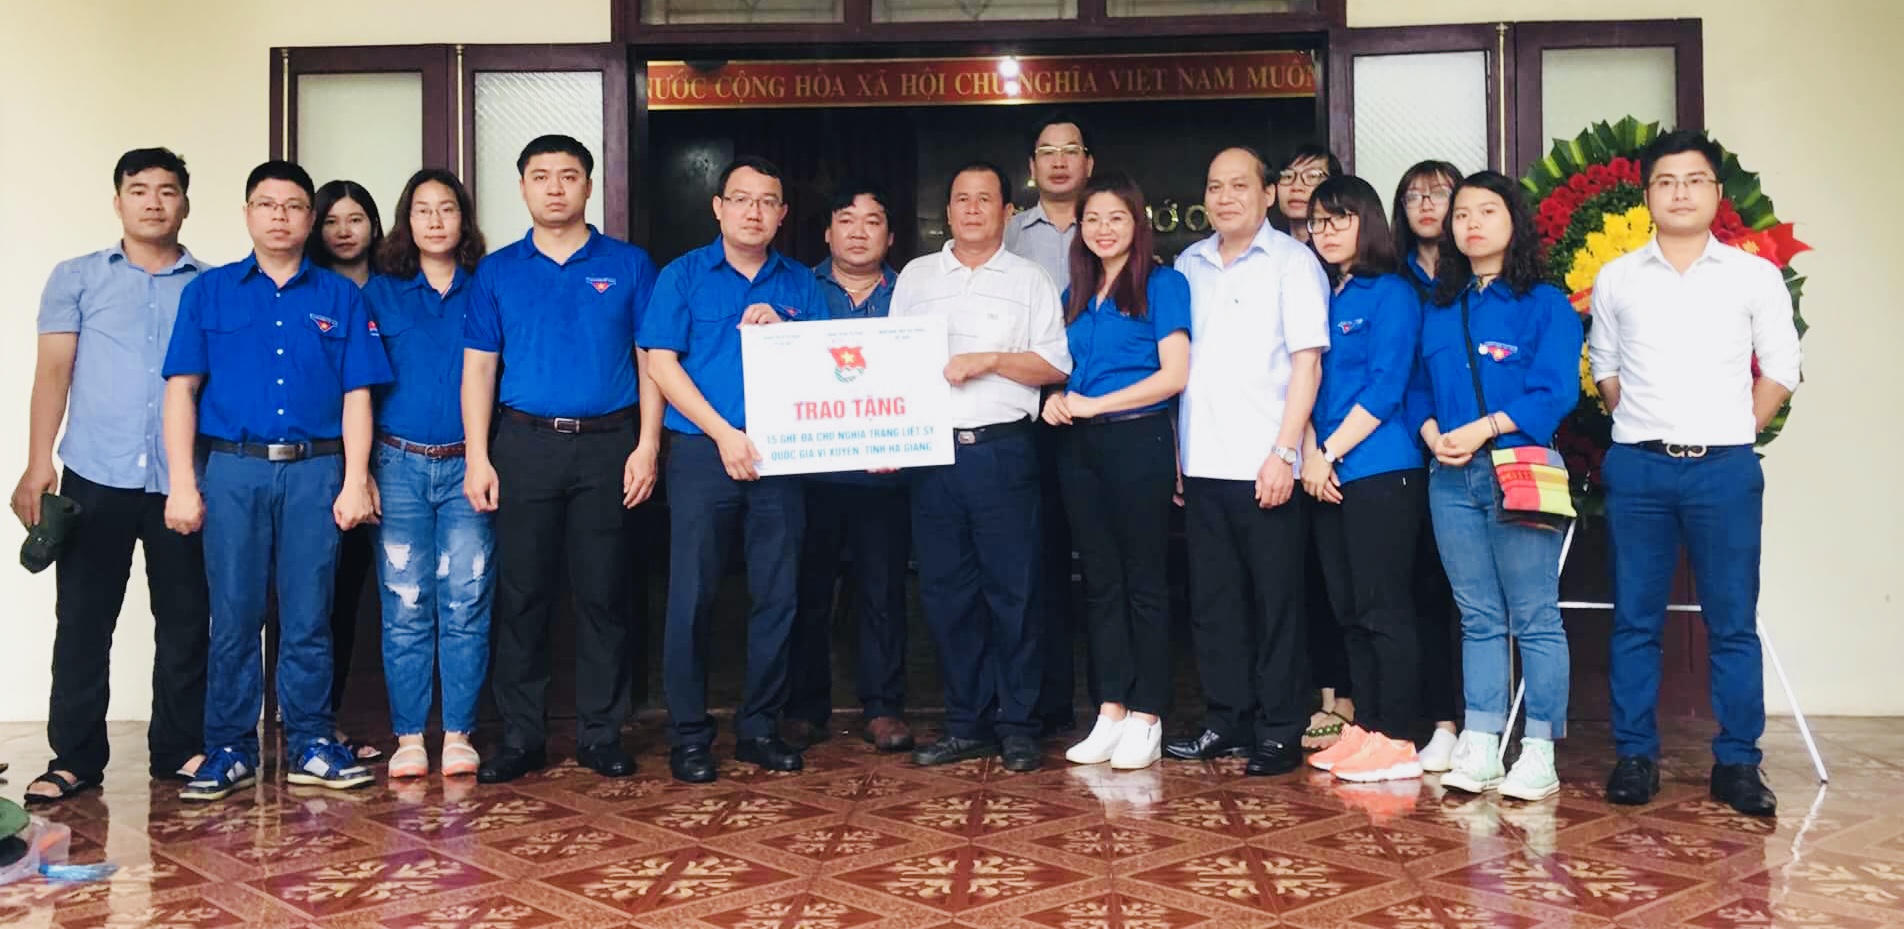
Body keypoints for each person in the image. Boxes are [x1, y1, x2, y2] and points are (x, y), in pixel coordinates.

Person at [163, 160, 393, 801]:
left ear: (309, 219)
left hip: (316, 471)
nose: (280, 217)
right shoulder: (209, 293)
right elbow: (181, 391)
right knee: (235, 615)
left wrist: (355, 479)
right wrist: (183, 482)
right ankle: (230, 747)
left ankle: (311, 742)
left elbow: (357, 395)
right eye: (267, 205)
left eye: (293, 206)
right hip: (233, 469)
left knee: (309, 615)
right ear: (247, 214)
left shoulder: (340, 297)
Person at [1593, 130, 1800, 816]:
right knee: (1635, 619)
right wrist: (1647, 428)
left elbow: (1781, 368)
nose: (1680, 192)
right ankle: (1635, 755)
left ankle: (1738, 763)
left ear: (1716, 192)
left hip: (1724, 471)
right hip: (1640, 468)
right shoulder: (1618, 276)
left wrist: (1735, 429)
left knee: (1732, 621)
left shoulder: (1753, 275)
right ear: (1647, 194)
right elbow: (1605, 368)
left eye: (1693, 180)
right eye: (1666, 181)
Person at [12, 148, 209, 804]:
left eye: (167, 190)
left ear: (186, 202)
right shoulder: (77, 277)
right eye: (139, 189)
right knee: (83, 620)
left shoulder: (209, 285)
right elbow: (53, 373)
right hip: (95, 473)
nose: (154, 201)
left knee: (186, 617)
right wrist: (39, 462)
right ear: (118, 200)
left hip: (182, 478)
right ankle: (73, 758)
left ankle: (178, 748)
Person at [463, 135, 661, 784]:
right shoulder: (497, 271)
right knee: (522, 595)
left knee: (604, 592)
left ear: (588, 186)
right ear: (522, 186)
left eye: (568, 175)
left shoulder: (629, 264)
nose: (555, 187)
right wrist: (477, 456)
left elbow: (651, 360)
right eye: (541, 176)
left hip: (609, 444)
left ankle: (601, 734)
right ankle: (522, 737)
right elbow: (479, 369)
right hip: (524, 444)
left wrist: (648, 444)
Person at [639, 156, 824, 783]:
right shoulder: (683, 275)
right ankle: (689, 734)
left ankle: (759, 728)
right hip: (702, 452)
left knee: (778, 594)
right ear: (718, 207)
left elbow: (827, 368)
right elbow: (661, 364)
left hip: (783, 455)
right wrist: (724, 435)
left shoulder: (800, 284)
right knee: (692, 595)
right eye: (741, 199)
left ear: (782, 214)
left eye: (767, 201)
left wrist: (786, 334)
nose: (754, 211)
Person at [891, 161, 1071, 773]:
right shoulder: (916, 277)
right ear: (947, 212)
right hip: (933, 457)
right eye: (961, 199)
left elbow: (1055, 366)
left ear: (1006, 212)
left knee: (1014, 591)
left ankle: (1018, 724)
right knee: (948, 594)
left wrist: (990, 360)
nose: (972, 209)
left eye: (984, 199)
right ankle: (966, 723)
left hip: (1003, 452)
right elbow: (892, 364)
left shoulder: (1030, 279)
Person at [1408, 170, 1582, 802]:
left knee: (1534, 615)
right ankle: (1481, 742)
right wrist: (1433, 435)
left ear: (1514, 222)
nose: (1471, 224)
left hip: (1520, 470)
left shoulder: (1545, 304)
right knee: (1477, 616)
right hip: (1450, 476)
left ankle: (1539, 749)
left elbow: (1555, 391)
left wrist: (1484, 428)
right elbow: (1417, 389)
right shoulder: (1440, 307)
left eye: (1486, 211)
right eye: (1461, 215)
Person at [1163, 147, 1329, 777]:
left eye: (1239, 185)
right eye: (1215, 186)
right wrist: (1178, 453)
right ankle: (1225, 719)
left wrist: (1285, 452)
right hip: (1203, 462)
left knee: (1277, 602)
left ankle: (1280, 727)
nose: (1225, 197)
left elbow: (1307, 363)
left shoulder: (1293, 262)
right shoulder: (1188, 264)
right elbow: (1178, 369)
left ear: (1267, 195)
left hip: (1267, 461)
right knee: (1214, 603)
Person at [1041, 172, 1189, 771]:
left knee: (1144, 582)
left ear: (1138, 223)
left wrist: (1095, 404)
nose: (1104, 229)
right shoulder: (1074, 293)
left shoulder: (1163, 283)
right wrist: (1056, 399)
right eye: (1093, 219)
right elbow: (1060, 369)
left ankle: (1148, 715)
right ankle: (1110, 710)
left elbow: (1174, 375)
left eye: (1116, 218)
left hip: (1137, 439)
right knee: (1100, 583)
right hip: (1079, 447)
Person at [1295, 176, 1427, 783]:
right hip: (1326, 471)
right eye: (1317, 222)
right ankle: (1366, 730)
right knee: (1348, 609)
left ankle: (1396, 738)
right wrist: (1311, 455)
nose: (1325, 232)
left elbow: (1386, 385)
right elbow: (1304, 379)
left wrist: (1327, 453)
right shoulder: (1324, 292)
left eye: (1338, 219)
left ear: (1366, 222)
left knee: (1383, 608)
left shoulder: (1391, 291)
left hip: (1379, 468)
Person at [361, 169, 491, 779]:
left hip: (469, 464)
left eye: (447, 209)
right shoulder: (379, 293)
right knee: (406, 602)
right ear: (405, 221)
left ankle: (459, 733)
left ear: (464, 218)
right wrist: (360, 470)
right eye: (422, 210)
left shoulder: (486, 287)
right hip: (398, 465)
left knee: (467, 598)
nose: (435, 221)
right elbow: (359, 388)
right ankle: (410, 736)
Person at [786, 182, 914, 754]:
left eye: (872, 221)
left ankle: (883, 707)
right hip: (809, 474)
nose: (859, 231)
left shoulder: (913, 293)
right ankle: (804, 707)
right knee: (806, 590)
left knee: (881, 591)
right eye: (846, 219)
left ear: (890, 235)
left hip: (885, 473)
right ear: (827, 232)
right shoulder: (795, 287)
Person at [1005, 112, 1095, 736]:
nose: (1059, 161)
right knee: (1037, 559)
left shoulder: (1110, 222)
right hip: (1029, 410)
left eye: (1070, 150)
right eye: (1047, 152)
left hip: (1101, 409)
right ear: (1032, 167)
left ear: (1088, 163)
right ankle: (1048, 700)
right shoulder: (1009, 233)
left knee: (1106, 561)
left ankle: (1117, 702)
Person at [306, 179, 385, 763]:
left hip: (399, 458)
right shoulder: (305, 289)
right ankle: (320, 721)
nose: (343, 231)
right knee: (325, 597)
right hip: (325, 465)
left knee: (389, 597)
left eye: (355, 219)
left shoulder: (395, 288)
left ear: (374, 226)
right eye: (331, 220)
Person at [1390, 159, 1464, 772]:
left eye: (1439, 193)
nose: (1426, 204)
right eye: (1414, 195)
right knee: (1415, 588)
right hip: (1406, 452)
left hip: (1471, 449)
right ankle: (1429, 719)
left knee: (1466, 595)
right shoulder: (1392, 277)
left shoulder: (1478, 276)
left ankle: (1468, 723)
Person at [1269, 144, 1342, 244]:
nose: (1296, 187)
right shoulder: (1267, 244)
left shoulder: (1341, 245)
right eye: (1288, 176)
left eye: (1312, 176)